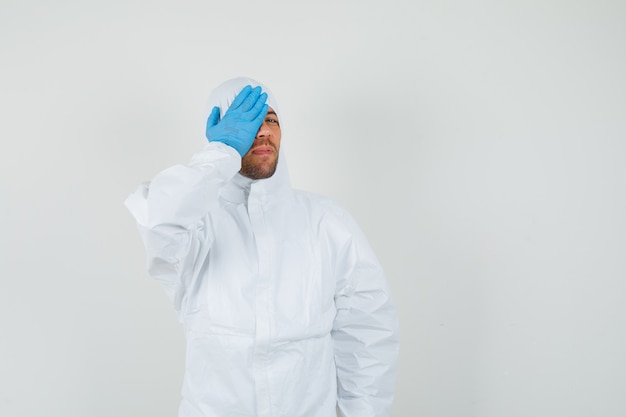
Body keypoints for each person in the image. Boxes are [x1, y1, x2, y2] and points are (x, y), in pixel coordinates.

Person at [125, 77, 399, 417]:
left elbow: (366, 335)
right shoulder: (197, 225)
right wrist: (220, 154)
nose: (263, 131)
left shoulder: (326, 222)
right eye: (245, 122)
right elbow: (159, 220)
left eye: (270, 119)